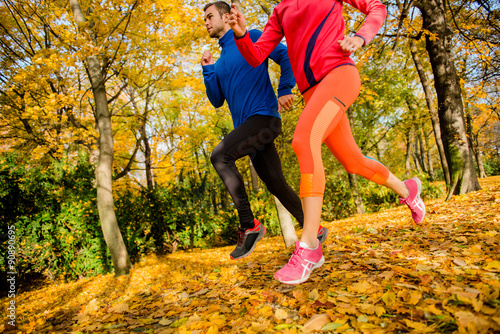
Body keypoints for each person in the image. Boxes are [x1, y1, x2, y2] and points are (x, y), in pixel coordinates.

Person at [229, 0, 426, 283]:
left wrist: (360, 36)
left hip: (339, 75)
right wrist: (241, 33)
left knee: (304, 140)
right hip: (312, 93)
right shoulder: (280, 11)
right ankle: (406, 189)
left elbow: (377, 7)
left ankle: (309, 245)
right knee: (352, 160)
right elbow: (256, 55)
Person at [201, 1, 329, 260]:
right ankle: (314, 228)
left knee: (220, 156)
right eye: (204, 18)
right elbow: (216, 100)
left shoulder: (253, 37)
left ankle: (250, 225)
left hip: (264, 119)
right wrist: (207, 69)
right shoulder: (222, 60)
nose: (206, 22)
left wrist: (284, 89)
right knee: (276, 184)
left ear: (227, 17)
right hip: (249, 128)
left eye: (210, 16)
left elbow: (285, 55)